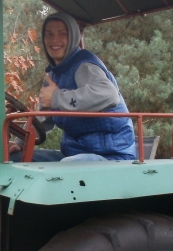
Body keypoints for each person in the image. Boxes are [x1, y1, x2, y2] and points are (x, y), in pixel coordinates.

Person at [17, 11, 137, 162]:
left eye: (62, 34)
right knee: (15, 159)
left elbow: (109, 94)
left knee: (66, 167)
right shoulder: (53, 75)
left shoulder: (84, 65)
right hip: (72, 154)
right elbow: (42, 119)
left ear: (73, 36)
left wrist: (56, 97)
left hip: (111, 155)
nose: (55, 40)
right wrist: (20, 143)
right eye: (49, 34)